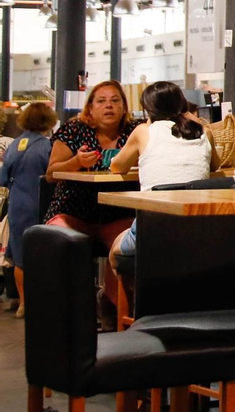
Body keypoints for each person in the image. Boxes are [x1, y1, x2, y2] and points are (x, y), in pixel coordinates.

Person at [108, 82, 218, 265]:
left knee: (115, 251)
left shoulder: (143, 132)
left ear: (148, 109)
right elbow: (215, 165)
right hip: (198, 229)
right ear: (182, 105)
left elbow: (117, 167)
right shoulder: (203, 131)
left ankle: (132, 293)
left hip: (153, 227)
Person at [45, 79, 136, 251]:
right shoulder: (73, 130)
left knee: (130, 250)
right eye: (101, 101)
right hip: (73, 212)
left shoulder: (135, 131)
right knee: (61, 247)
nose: (109, 105)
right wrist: (77, 162)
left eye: (115, 100)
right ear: (90, 108)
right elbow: (51, 173)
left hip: (120, 215)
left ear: (124, 106)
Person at [0, 102, 59, 317]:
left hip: (17, 205)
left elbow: (3, 179)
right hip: (42, 204)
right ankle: (43, 302)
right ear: (49, 120)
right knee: (44, 253)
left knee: (20, 257)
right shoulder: (48, 146)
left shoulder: (14, 145)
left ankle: (24, 303)